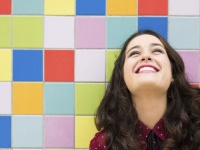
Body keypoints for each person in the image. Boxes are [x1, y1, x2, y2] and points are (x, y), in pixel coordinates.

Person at [89, 30, 200, 150]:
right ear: (122, 77)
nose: (146, 56)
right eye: (134, 53)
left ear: (173, 73)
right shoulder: (104, 144)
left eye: (157, 51)